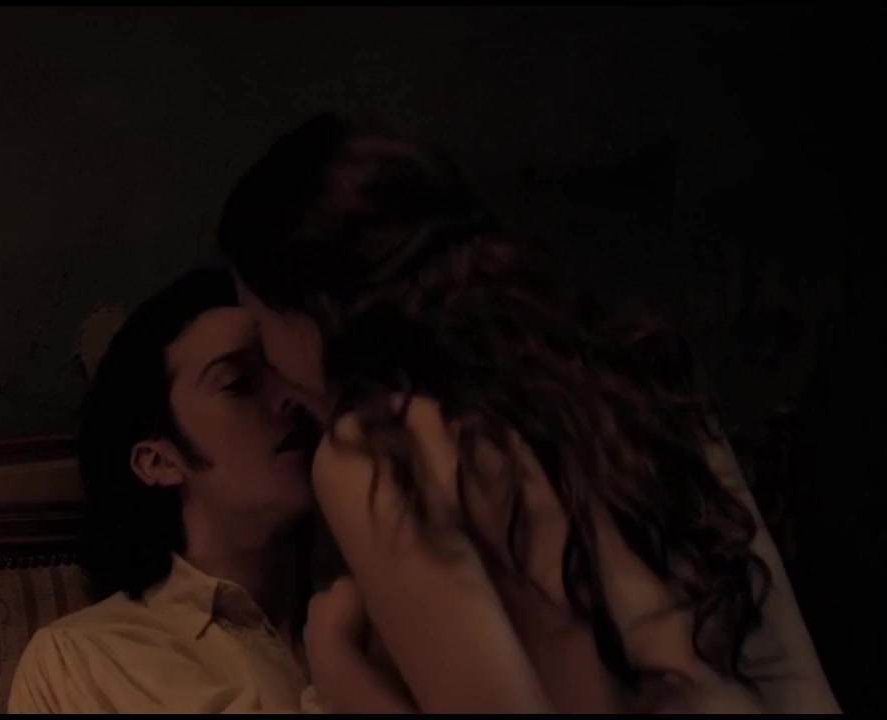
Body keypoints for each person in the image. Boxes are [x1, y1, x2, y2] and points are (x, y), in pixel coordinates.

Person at [216, 113, 841, 714]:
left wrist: (338, 666)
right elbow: (796, 677)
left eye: (264, 326)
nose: (272, 369)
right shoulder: (635, 374)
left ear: (317, 308)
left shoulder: (377, 450)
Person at [8, 267, 324, 713]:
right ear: (159, 461)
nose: (288, 396)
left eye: (286, 370)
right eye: (238, 383)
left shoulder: (387, 605)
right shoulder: (85, 662)